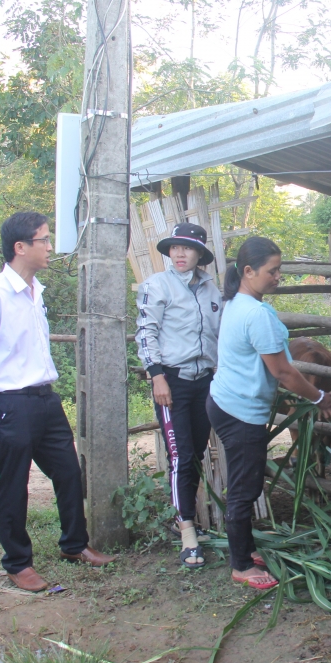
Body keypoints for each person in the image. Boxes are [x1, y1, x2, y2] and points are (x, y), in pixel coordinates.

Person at [0, 212, 115, 593]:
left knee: (67, 472)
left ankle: (74, 545)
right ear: (20, 248)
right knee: (13, 484)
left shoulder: (36, 292)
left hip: (45, 400)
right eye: (44, 240)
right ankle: (17, 563)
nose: (50, 247)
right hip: (10, 403)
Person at [206, 237, 331, 590]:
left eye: (279, 269)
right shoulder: (255, 313)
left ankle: (246, 549)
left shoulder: (237, 302)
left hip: (224, 401)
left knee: (244, 482)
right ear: (248, 272)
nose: (278, 276)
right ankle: (240, 565)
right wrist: (320, 397)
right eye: (272, 270)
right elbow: (283, 373)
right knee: (244, 487)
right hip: (241, 412)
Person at [135, 222, 221, 568]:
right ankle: (187, 532)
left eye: (187, 248)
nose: (180, 253)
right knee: (180, 457)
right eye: (174, 248)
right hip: (173, 381)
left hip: (205, 381)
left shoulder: (212, 290)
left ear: (199, 254)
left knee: (197, 452)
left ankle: (189, 520)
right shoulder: (156, 286)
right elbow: (145, 333)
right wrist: (157, 376)